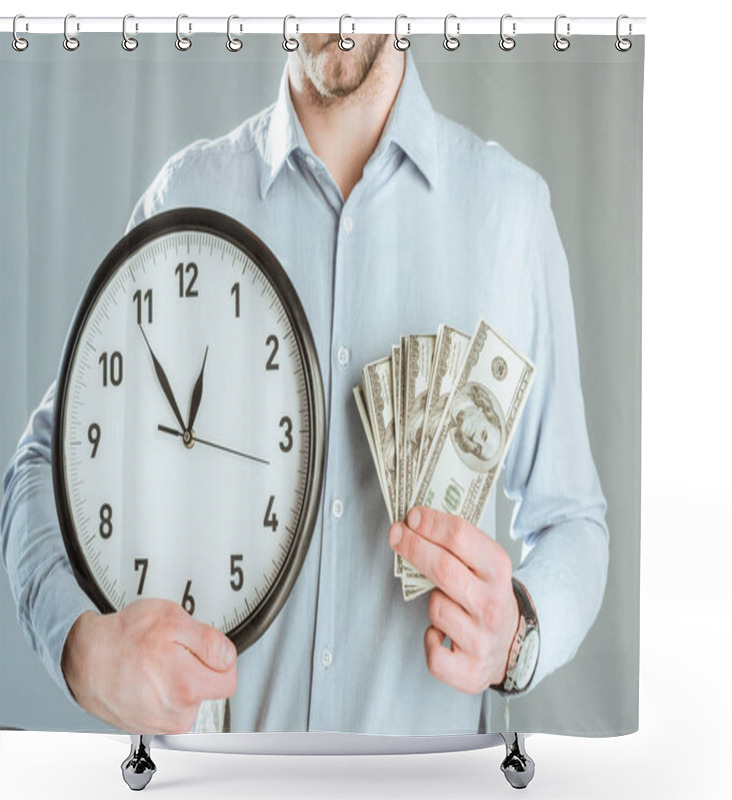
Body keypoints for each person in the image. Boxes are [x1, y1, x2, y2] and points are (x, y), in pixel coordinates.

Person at [0, 33, 609, 735]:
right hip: (214, 786)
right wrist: (82, 648)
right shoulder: (189, 193)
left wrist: (520, 635)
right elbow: (40, 465)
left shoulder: (511, 213)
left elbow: (573, 522)